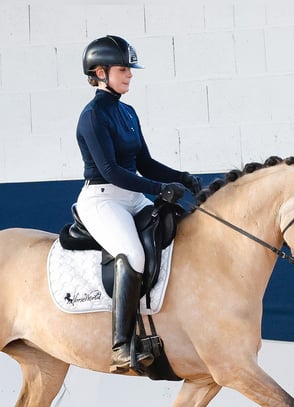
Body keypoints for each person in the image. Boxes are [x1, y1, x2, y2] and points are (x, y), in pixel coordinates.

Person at [76, 35, 201, 373]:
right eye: (123, 69)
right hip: (103, 200)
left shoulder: (127, 112)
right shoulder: (92, 117)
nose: (130, 75)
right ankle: (120, 346)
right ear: (100, 72)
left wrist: (183, 178)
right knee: (132, 253)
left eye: (129, 69)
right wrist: (160, 188)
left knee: (177, 228)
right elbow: (111, 171)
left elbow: (144, 163)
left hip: (131, 195)